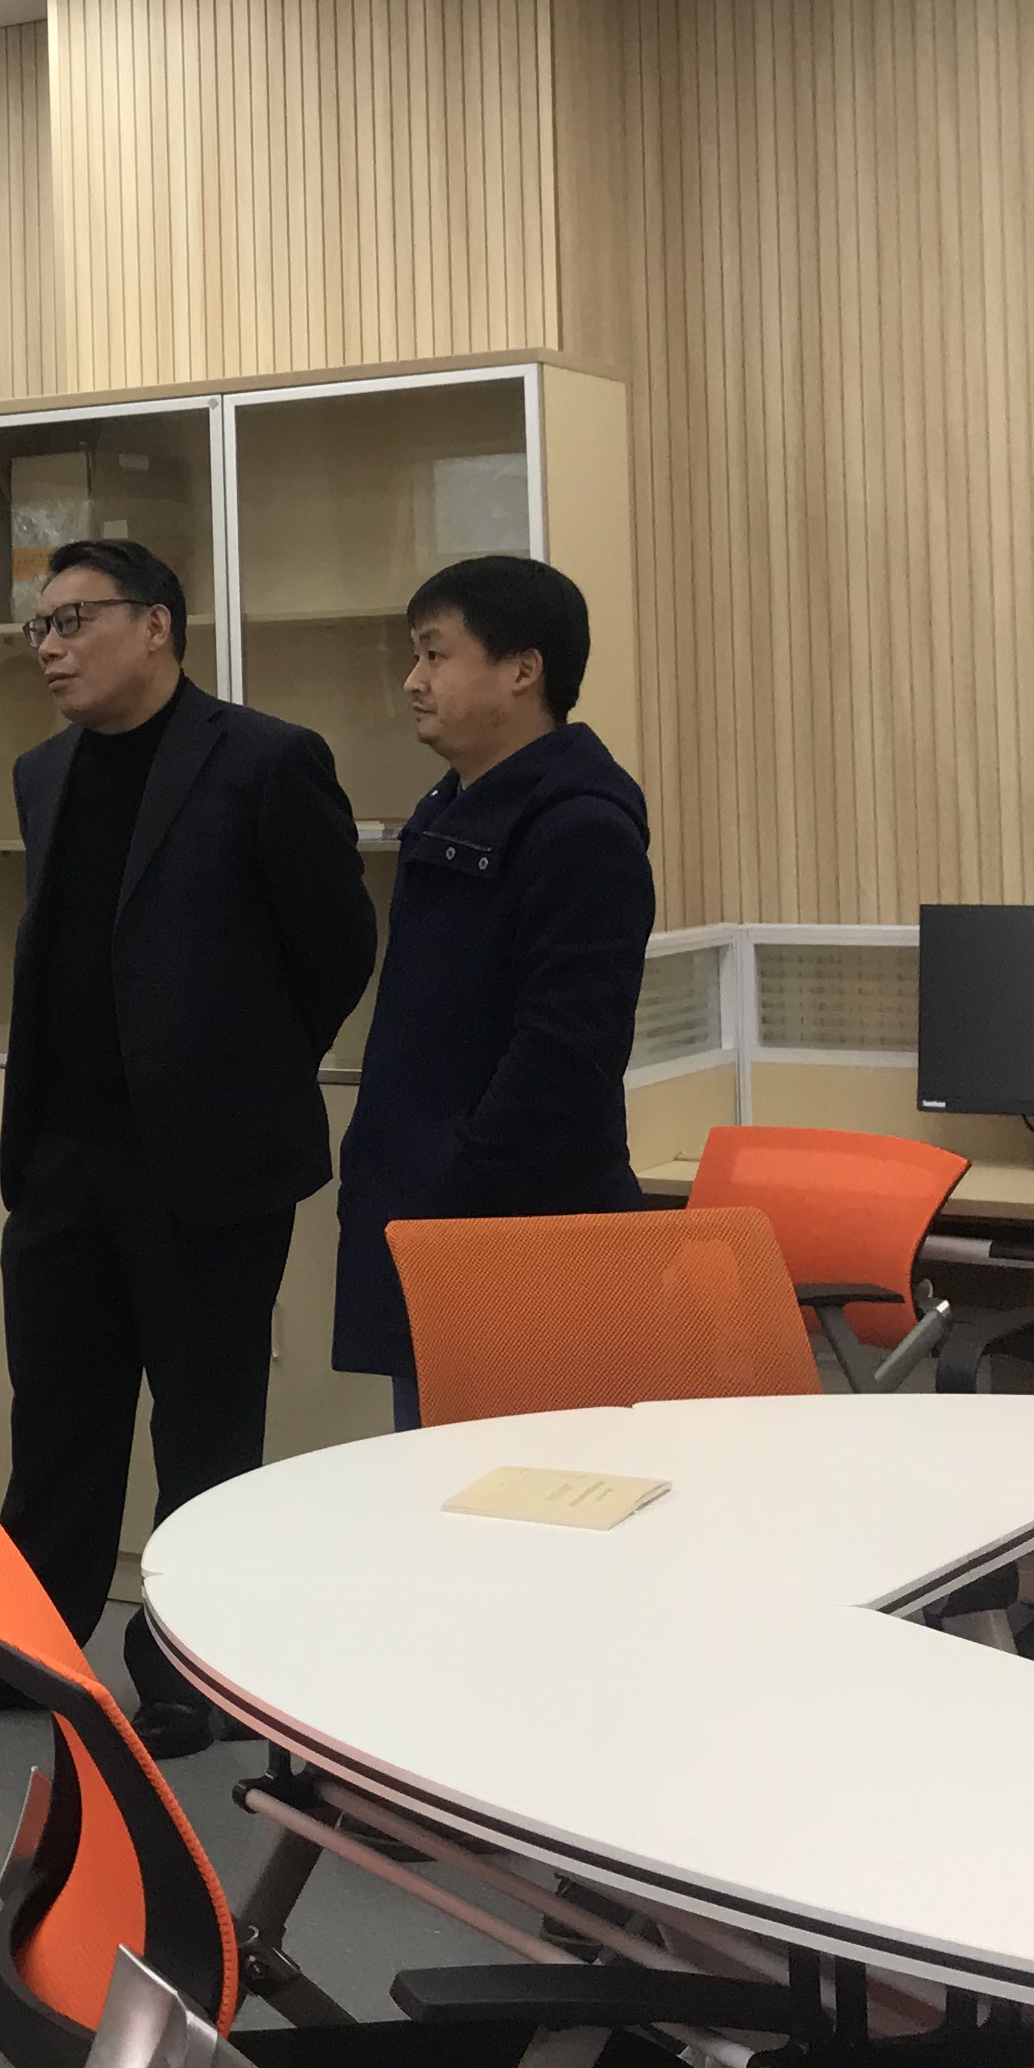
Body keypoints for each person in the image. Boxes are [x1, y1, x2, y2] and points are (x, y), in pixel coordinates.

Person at [0, 539, 377, 1755]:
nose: (49, 648)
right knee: (58, 1424)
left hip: (208, 1166)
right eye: (39, 627)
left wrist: (239, 1070)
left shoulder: (266, 761)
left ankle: (195, 1674)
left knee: (205, 1431)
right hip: (63, 1159)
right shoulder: (43, 774)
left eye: (74, 620)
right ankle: (31, 1651)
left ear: (157, 627)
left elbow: (337, 948)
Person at [336, 555, 654, 1430]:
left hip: (516, 1244)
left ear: (523, 670)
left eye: (436, 654)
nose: (413, 680)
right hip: (434, 1228)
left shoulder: (579, 827)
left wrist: (454, 1173)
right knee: (434, 1485)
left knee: (523, 1493)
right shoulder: (450, 811)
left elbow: (565, 1055)